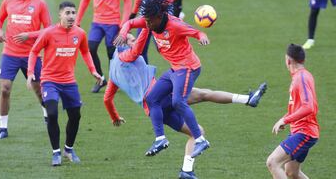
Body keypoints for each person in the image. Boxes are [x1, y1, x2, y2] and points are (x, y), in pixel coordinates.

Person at [105, 32, 267, 179]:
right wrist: (147, 26)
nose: (135, 41)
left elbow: (107, 99)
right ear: (124, 44)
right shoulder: (129, 55)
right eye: (132, 39)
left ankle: (186, 171)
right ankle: (247, 99)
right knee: (204, 95)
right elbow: (138, 46)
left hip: (155, 110)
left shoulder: (113, 72)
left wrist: (115, 117)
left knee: (197, 131)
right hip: (163, 96)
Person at [115, 0, 212, 160]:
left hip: (187, 67)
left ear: (159, 17)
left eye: (149, 21)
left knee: (178, 102)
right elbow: (130, 22)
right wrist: (124, 33)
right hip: (175, 69)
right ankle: (160, 139)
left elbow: (196, 32)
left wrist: (202, 37)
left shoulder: (175, 25)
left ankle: (200, 139)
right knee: (151, 98)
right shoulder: (150, 21)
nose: (146, 24)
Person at [27, 1, 102, 166]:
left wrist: (93, 70)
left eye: (73, 13)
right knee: (52, 114)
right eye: (67, 13)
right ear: (60, 15)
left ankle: (68, 149)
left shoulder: (80, 33)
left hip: (69, 82)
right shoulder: (49, 33)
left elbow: (85, 51)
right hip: (49, 81)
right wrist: (31, 72)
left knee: (76, 116)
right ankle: (56, 153)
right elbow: (34, 51)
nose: (71, 16)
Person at [0, 0, 52, 139]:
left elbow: (48, 29)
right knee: (5, 89)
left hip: (31, 54)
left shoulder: (40, 4)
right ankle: (3, 128)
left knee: (40, 91)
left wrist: (29, 35)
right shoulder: (8, 1)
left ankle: (48, 116)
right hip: (10, 54)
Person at [75, 0, 132, 93]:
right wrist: (77, 20)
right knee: (91, 48)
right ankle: (101, 79)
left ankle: (117, 80)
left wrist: (124, 23)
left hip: (113, 22)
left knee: (111, 52)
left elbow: (128, 1)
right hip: (97, 23)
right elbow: (85, 0)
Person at [266, 44, 319, 179]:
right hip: (300, 130)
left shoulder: (301, 78)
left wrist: (285, 120)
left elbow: (309, 107)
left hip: (304, 132)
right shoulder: (301, 76)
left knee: (272, 162)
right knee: (291, 172)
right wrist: (286, 118)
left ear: (288, 60)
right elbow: (298, 106)